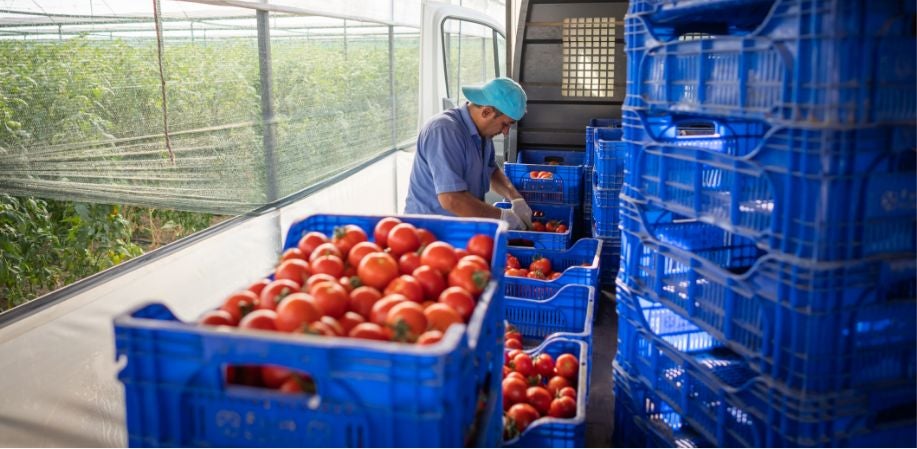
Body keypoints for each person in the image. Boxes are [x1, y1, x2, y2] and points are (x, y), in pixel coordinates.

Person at [404, 77, 533, 230]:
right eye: (505, 124)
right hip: (430, 231)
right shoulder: (444, 131)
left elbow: (491, 170)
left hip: (462, 225)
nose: (505, 133)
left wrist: (515, 197)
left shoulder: (482, 134)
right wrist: (502, 217)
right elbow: (451, 199)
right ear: (486, 112)